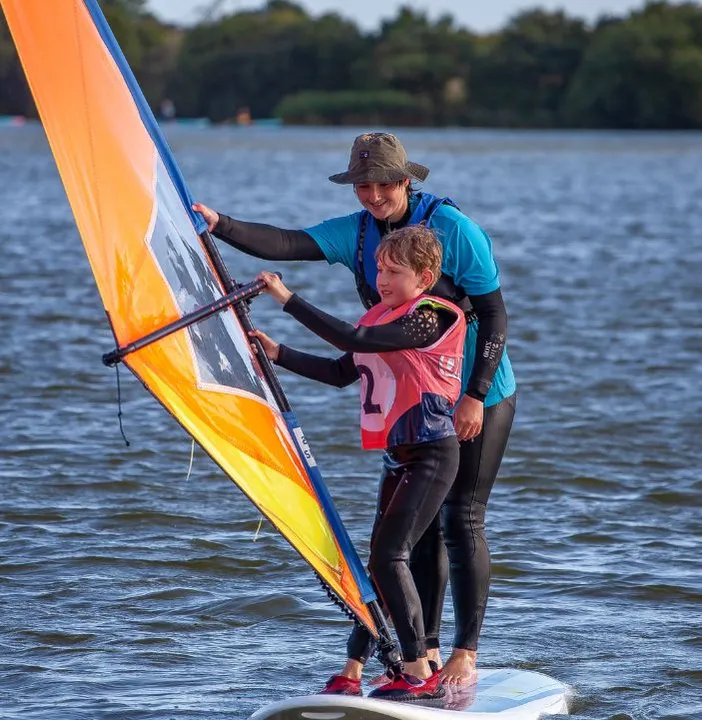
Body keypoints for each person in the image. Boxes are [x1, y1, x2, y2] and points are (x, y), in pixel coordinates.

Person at [193, 131, 517, 684]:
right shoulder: (360, 233)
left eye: (383, 184)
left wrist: (475, 395)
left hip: (472, 394)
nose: (371, 195)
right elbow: (287, 243)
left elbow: (495, 315)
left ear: (406, 181)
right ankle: (426, 653)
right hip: (410, 403)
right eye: (362, 185)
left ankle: (465, 652)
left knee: (459, 520)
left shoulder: (454, 230)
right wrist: (219, 224)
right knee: (413, 537)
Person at [252, 226, 466, 701]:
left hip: (433, 453)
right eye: (378, 269)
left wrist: (286, 298)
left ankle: (417, 669)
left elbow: (352, 337)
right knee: (375, 565)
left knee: (390, 557)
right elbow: (337, 373)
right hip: (398, 458)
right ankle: (354, 668)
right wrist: (278, 354)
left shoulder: (431, 317)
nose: (382, 279)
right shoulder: (381, 315)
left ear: (425, 276)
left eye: (394, 272)